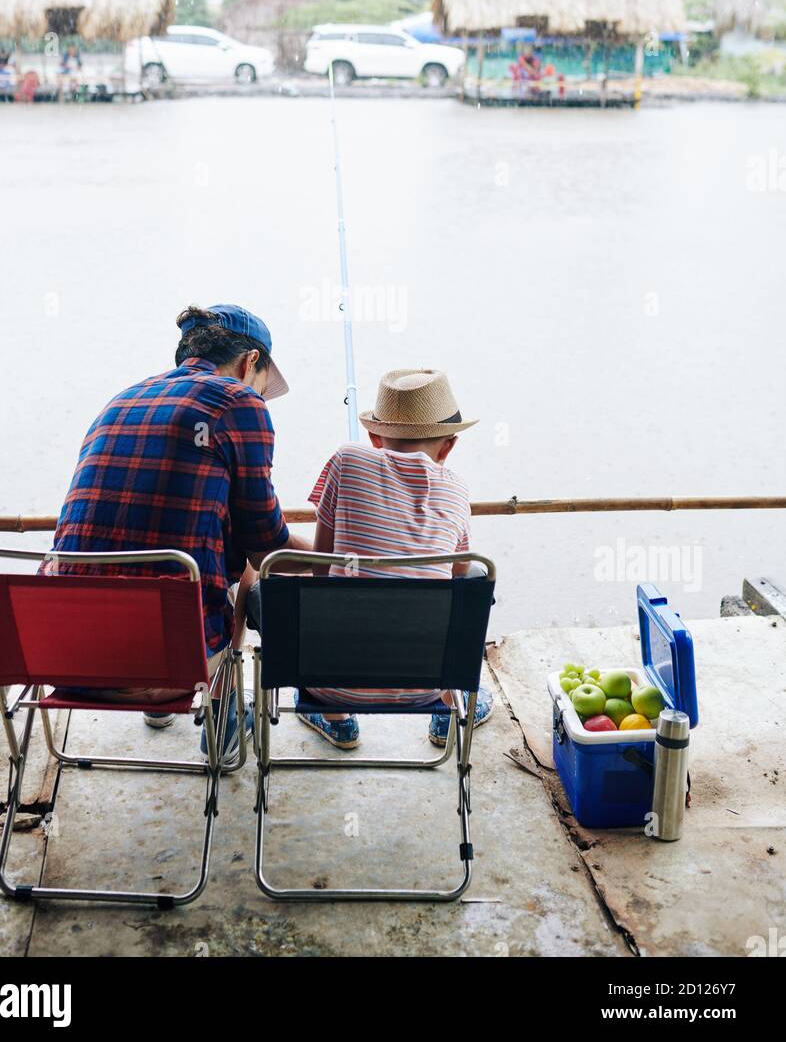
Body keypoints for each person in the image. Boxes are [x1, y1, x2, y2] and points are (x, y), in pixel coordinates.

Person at [46, 303, 309, 759]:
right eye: (264, 384)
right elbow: (267, 547)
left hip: (63, 655)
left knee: (150, 543)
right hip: (164, 668)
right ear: (251, 363)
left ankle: (159, 713)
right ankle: (223, 718)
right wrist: (340, 557)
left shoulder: (122, 398)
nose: (261, 395)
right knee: (245, 565)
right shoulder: (239, 401)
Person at [274, 368, 493, 750]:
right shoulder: (457, 489)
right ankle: (447, 712)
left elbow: (322, 568)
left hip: (329, 682)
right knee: (472, 580)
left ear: (375, 437)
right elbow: (459, 573)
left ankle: (338, 720)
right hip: (428, 683)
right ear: (449, 446)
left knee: (320, 592)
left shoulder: (346, 460)